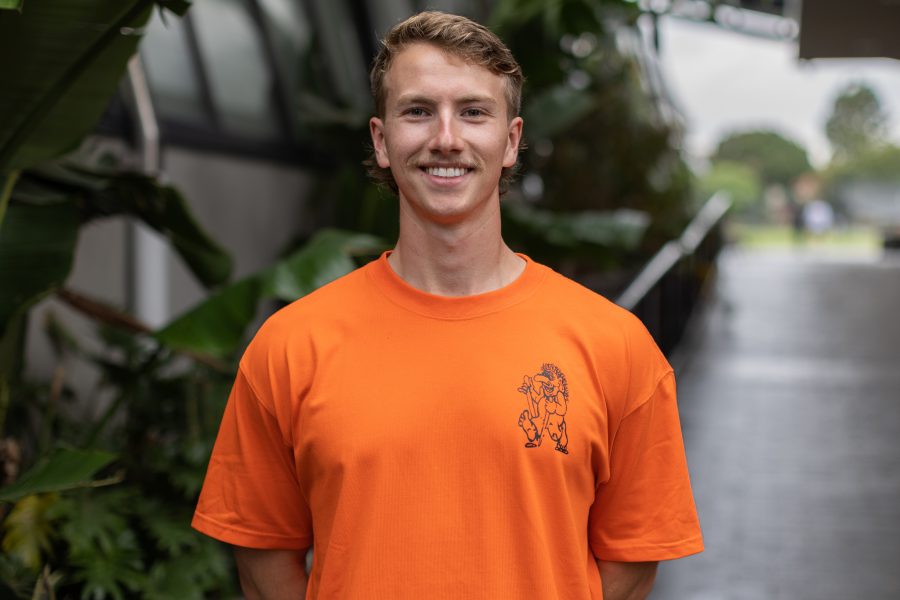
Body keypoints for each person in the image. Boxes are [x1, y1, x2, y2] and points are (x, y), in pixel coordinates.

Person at [192, 11, 703, 599]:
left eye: (473, 111)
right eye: (417, 111)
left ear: (510, 141)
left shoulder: (615, 345)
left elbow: (634, 558)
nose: (446, 138)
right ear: (382, 141)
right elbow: (261, 555)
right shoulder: (291, 345)